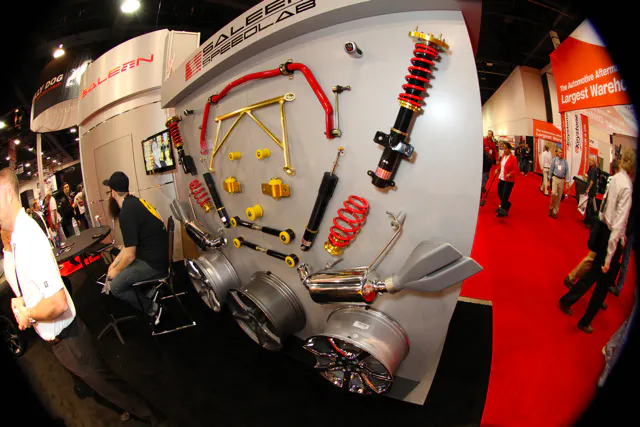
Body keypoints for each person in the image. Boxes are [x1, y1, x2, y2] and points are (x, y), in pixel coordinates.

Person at [0, 168, 170, 426]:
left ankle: (155, 418)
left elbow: (57, 303)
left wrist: (28, 314)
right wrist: (24, 302)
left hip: (69, 337)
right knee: (99, 381)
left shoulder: (28, 239)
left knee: (107, 380)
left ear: (7, 194)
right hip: (61, 338)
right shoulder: (17, 239)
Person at [559, 149, 634, 334]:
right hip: (611, 239)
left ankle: (568, 300)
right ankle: (585, 320)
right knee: (601, 285)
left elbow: (605, 206)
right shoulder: (626, 186)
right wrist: (609, 257)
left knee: (592, 275)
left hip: (603, 231)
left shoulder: (615, 179)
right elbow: (618, 224)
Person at [102, 171, 168, 323]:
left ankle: (154, 309)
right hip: (157, 256)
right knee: (120, 269)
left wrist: (115, 271)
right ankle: (149, 292)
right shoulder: (134, 203)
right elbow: (128, 246)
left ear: (113, 192)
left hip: (154, 264)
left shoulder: (127, 212)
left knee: (116, 286)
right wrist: (114, 264)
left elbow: (130, 255)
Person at [494, 142, 518, 218]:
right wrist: (497, 169)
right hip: (501, 177)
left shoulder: (513, 158)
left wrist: (510, 174)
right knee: (499, 193)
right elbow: (501, 165)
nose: (504, 150)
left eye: (505, 148)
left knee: (504, 195)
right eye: (503, 148)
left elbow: (515, 170)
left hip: (508, 180)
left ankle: (502, 210)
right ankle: (507, 204)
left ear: (509, 149)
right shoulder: (503, 156)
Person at [548, 148, 570, 219]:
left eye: (562, 152)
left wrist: (567, 182)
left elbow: (567, 172)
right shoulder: (554, 160)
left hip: (561, 180)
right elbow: (551, 170)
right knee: (554, 193)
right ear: (557, 153)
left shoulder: (565, 162)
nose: (561, 154)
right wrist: (549, 180)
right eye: (560, 152)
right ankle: (551, 207)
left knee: (559, 197)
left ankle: (555, 211)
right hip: (555, 178)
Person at [584, 155, 599, 227]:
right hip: (590, 189)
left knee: (589, 207)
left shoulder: (594, 170)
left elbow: (592, 181)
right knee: (587, 206)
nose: (589, 161)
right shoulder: (591, 168)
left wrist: (588, 189)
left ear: (593, 162)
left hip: (591, 191)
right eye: (589, 160)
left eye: (590, 160)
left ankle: (589, 222)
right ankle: (586, 219)